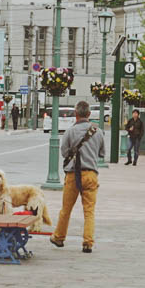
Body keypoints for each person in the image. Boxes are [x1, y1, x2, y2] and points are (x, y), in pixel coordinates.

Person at [50, 101, 102, 253]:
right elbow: (102, 153)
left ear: (75, 114)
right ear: (89, 114)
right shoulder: (97, 131)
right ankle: (88, 242)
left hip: (73, 174)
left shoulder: (70, 132)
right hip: (91, 174)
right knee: (89, 210)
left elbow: (64, 153)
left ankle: (59, 237)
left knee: (66, 209)